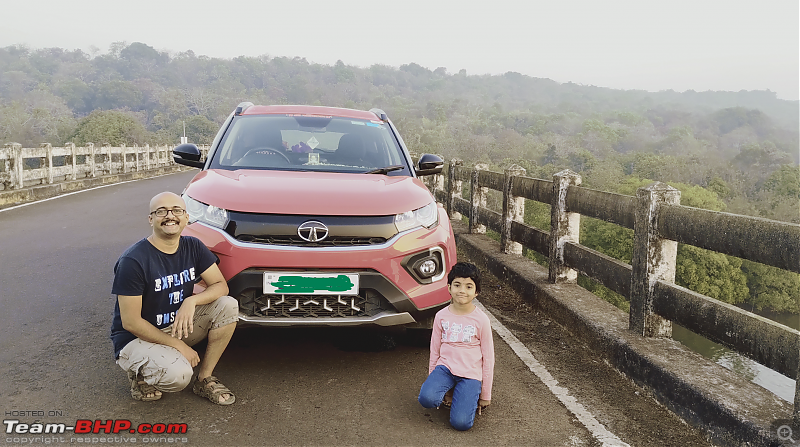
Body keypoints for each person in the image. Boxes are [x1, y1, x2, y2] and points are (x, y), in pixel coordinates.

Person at [110, 192, 238, 405]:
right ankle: (140, 374)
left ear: (186, 217)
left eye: (177, 210)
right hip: (136, 336)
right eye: (161, 211)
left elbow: (220, 286)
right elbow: (130, 322)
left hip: (175, 325)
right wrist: (179, 346)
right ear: (151, 219)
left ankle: (205, 379)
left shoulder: (193, 246)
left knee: (228, 306)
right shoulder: (133, 260)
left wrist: (192, 301)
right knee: (178, 376)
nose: (170, 216)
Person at [418, 262, 495, 431]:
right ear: (449, 288)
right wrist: (433, 380)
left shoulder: (481, 320)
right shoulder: (441, 316)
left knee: (461, 423)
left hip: (470, 375)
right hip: (445, 369)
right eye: (457, 285)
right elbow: (435, 350)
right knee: (427, 398)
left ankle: (465, 396)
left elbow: (488, 358)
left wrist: (485, 394)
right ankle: (450, 390)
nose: (462, 290)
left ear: (476, 292)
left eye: (469, 286)